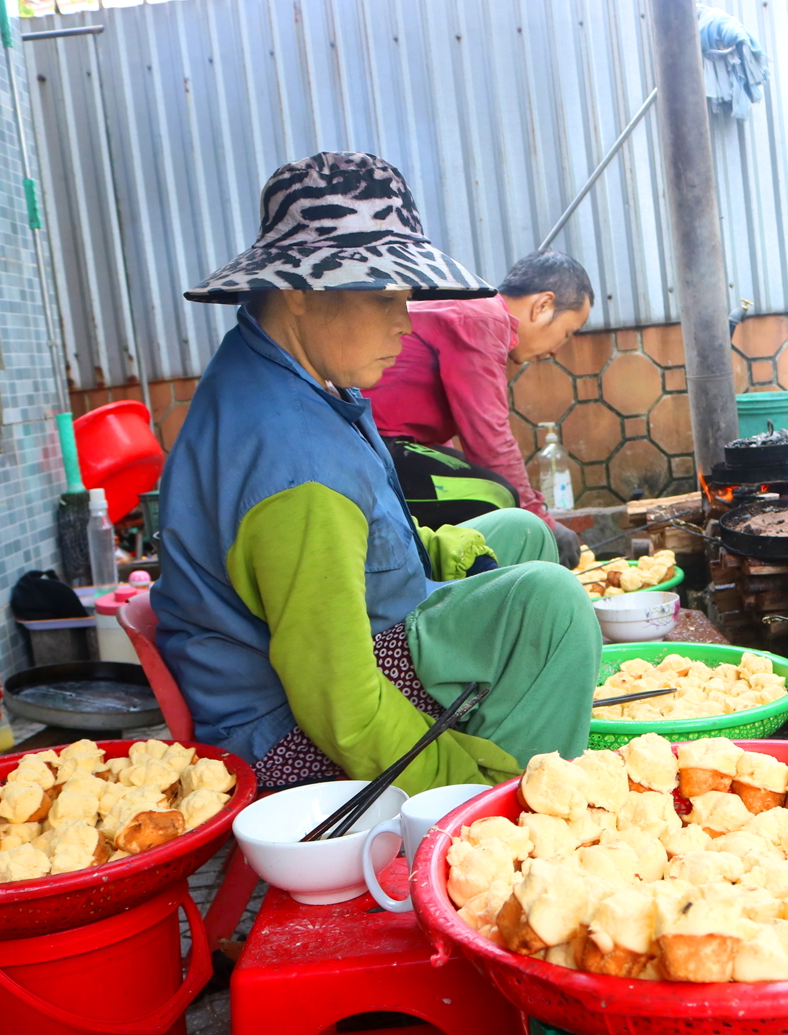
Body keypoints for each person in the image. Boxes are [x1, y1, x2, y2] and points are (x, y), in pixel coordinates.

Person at [150, 152, 600, 793]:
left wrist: (458, 552)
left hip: (334, 643)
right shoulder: (296, 467)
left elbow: (373, 540)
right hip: (285, 734)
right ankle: (515, 813)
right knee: (550, 604)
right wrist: (462, 784)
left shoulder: (279, 372)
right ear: (298, 293)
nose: (404, 322)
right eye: (385, 298)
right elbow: (339, 700)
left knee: (517, 535)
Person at [365, 250, 594, 564]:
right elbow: (490, 439)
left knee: (482, 483)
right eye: (567, 333)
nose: (557, 350)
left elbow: (442, 448)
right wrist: (543, 524)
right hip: (370, 447)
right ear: (543, 305)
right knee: (498, 495)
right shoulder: (483, 316)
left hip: (387, 443)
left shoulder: (473, 309)